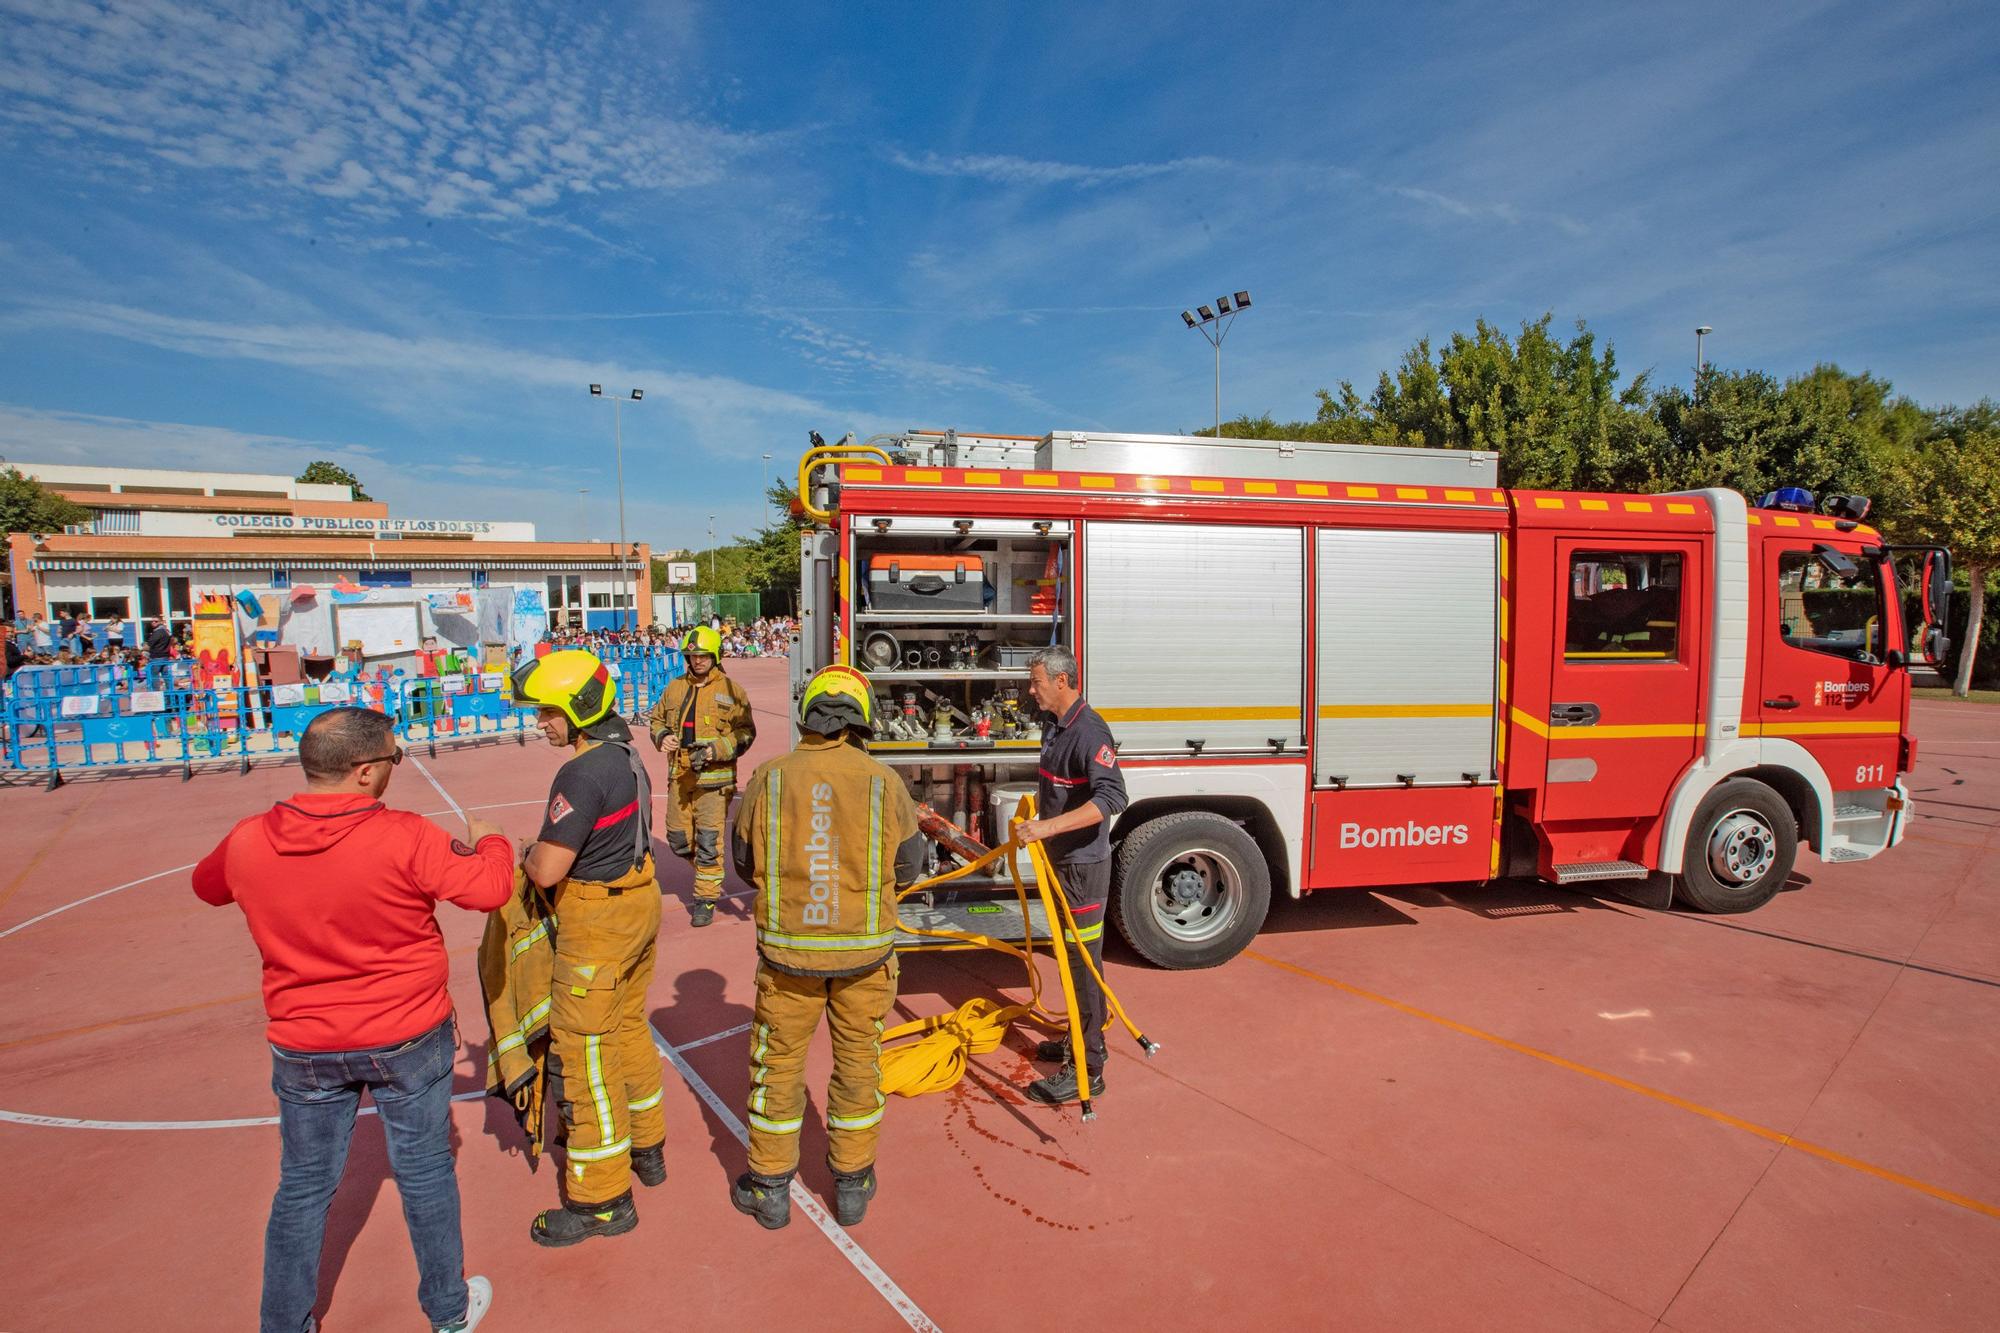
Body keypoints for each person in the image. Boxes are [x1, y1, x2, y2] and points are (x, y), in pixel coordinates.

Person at [191, 707, 509, 1333]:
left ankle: (284, 1322)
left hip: (304, 1038)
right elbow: (490, 889)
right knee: (424, 1170)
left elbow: (208, 886)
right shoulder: (405, 836)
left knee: (303, 1187)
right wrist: (491, 838)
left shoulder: (251, 836)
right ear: (365, 772)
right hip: (405, 1033)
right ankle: (446, 1308)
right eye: (392, 760)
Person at [728, 665, 921, 1230]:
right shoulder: (885, 782)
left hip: (789, 961)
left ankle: (769, 1188)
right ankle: (854, 1183)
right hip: (865, 961)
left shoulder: (769, 777)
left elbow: (744, 865)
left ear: (806, 714)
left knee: (776, 1067)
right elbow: (909, 868)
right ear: (860, 719)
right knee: (860, 1064)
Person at [511, 648, 667, 1246]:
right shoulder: (626, 754)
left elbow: (548, 870)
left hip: (597, 920)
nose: (540, 722)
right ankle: (647, 1148)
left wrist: (527, 851)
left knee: (584, 1054)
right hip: (638, 904)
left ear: (577, 708)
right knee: (629, 1028)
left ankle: (603, 1199)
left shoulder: (579, 771)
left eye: (548, 711)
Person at [1013, 646, 1129, 1106]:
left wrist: (1047, 827)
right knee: (1070, 960)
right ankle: (1076, 1039)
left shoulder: (1088, 731)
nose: (1031, 688)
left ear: (1062, 682)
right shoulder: (1055, 724)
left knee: (1084, 966)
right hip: (1062, 865)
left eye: (1037, 681)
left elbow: (1112, 798)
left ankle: (1089, 1068)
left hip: (1082, 869)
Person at [647, 624, 755, 927]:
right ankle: (709, 873)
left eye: (703, 656)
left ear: (715, 656)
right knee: (678, 839)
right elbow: (656, 720)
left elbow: (746, 734)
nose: (697, 661)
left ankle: (705, 899)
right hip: (680, 777)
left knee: (709, 841)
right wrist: (662, 736)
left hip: (714, 780)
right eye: (692, 656)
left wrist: (715, 749)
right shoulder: (675, 687)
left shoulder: (732, 691)